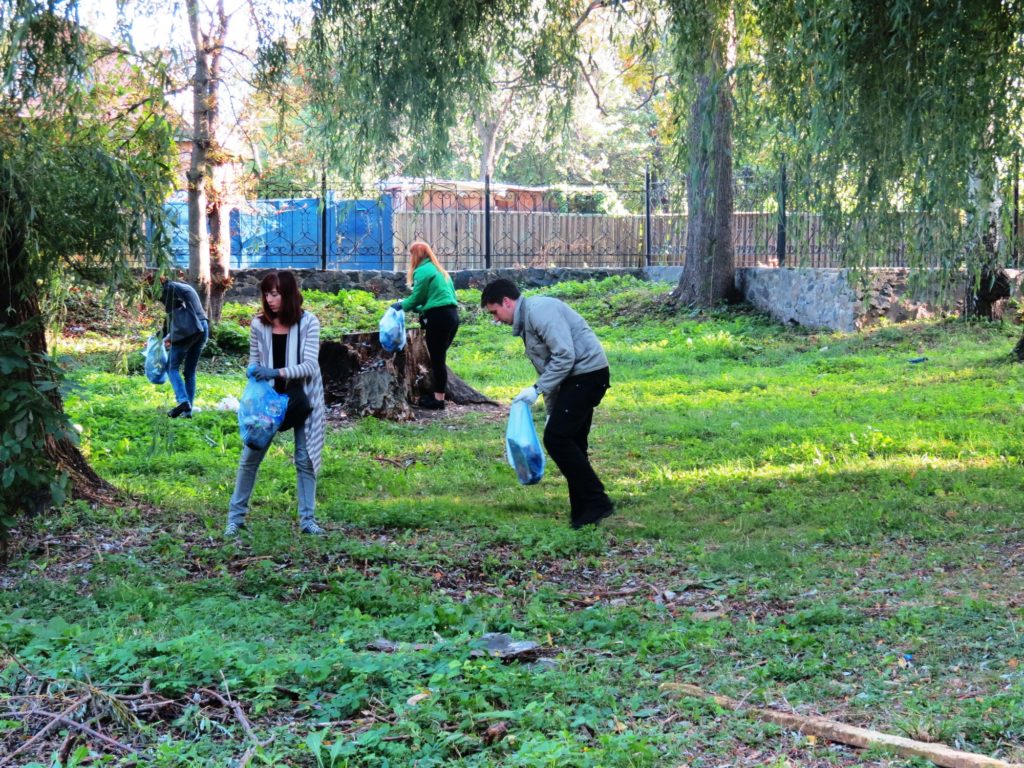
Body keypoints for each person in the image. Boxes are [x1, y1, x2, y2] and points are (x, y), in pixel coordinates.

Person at [480, 278, 614, 529]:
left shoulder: (540, 311)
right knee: (573, 442)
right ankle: (583, 515)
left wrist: (536, 389)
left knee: (556, 439)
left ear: (506, 302)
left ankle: (598, 501)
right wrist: (552, 410)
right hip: (577, 378)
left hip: (587, 376)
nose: (495, 319)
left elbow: (565, 356)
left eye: (494, 312)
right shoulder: (527, 321)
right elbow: (552, 370)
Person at [225, 270, 327, 537]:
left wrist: (278, 372)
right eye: (267, 294)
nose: (270, 299)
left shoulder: (308, 323)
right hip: (269, 403)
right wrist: (254, 371)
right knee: (250, 457)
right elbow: (253, 359)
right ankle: (235, 519)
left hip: (303, 399)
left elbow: (309, 365)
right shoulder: (259, 324)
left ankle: (308, 520)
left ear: (289, 294)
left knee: (305, 459)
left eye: (275, 293)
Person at [391, 241, 459, 409]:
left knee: (437, 361)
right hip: (452, 317)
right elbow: (435, 300)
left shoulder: (422, 271)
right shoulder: (440, 271)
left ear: (416, 256)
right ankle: (437, 394)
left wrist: (402, 305)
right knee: (438, 359)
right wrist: (418, 308)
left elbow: (418, 298)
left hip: (439, 319)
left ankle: (438, 400)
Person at [159, 277, 209, 419]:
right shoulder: (184, 288)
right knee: (189, 371)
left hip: (190, 328)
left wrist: (163, 336)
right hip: (203, 327)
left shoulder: (170, 288)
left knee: (171, 367)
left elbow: (173, 317)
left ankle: (183, 401)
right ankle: (188, 411)